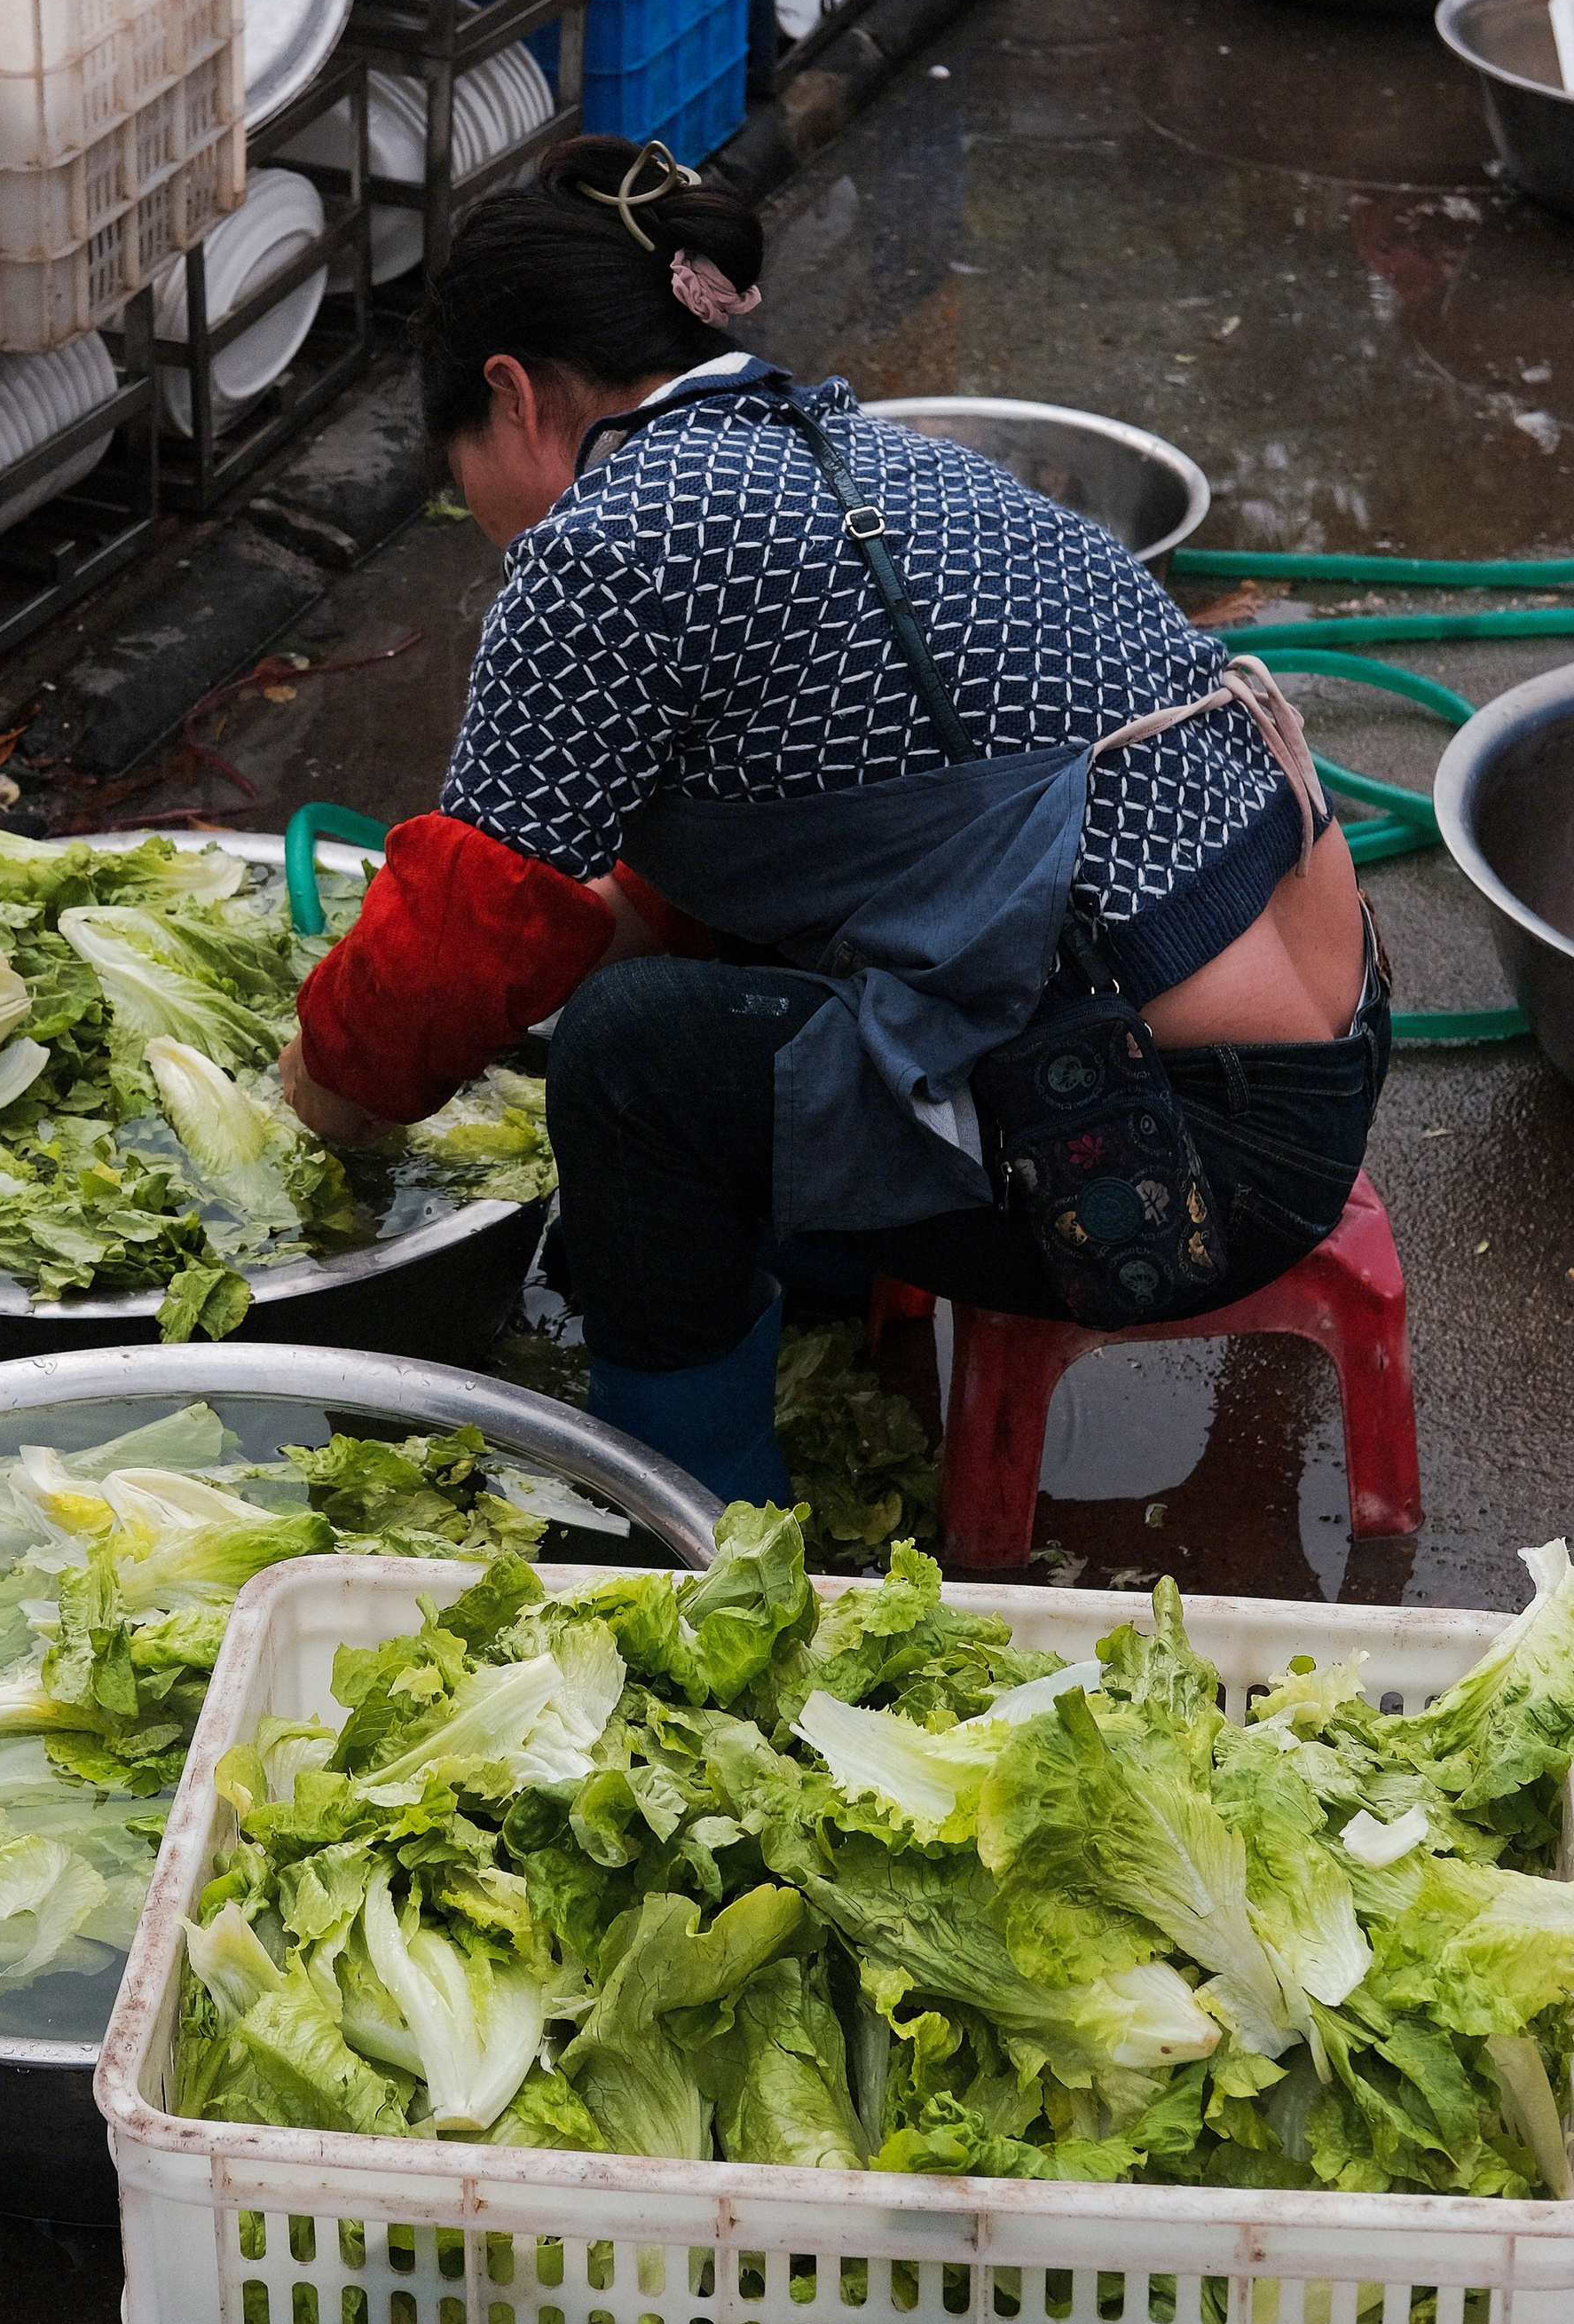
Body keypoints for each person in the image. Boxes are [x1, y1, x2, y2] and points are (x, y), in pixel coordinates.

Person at [277, 137, 1386, 1508]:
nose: (486, 521)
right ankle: (798, 1251)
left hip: (1167, 1179)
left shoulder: (601, 540)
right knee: (710, 988)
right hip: (1325, 1065)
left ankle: (687, 1519)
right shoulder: (870, 455)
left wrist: (313, 1104)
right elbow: (784, 835)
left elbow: (469, 931)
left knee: (629, 1066)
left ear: (512, 398)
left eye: (465, 476)